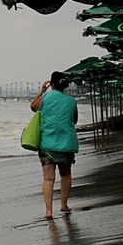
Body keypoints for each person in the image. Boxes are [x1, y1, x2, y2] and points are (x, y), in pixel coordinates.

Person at [30, 71, 78, 218]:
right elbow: (74, 120)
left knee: (48, 178)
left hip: (48, 143)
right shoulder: (72, 101)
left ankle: (49, 211)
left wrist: (42, 91)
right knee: (65, 174)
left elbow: (33, 107)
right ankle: (64, 205)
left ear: (52, 84)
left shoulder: (45, 97)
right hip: (66, 143)